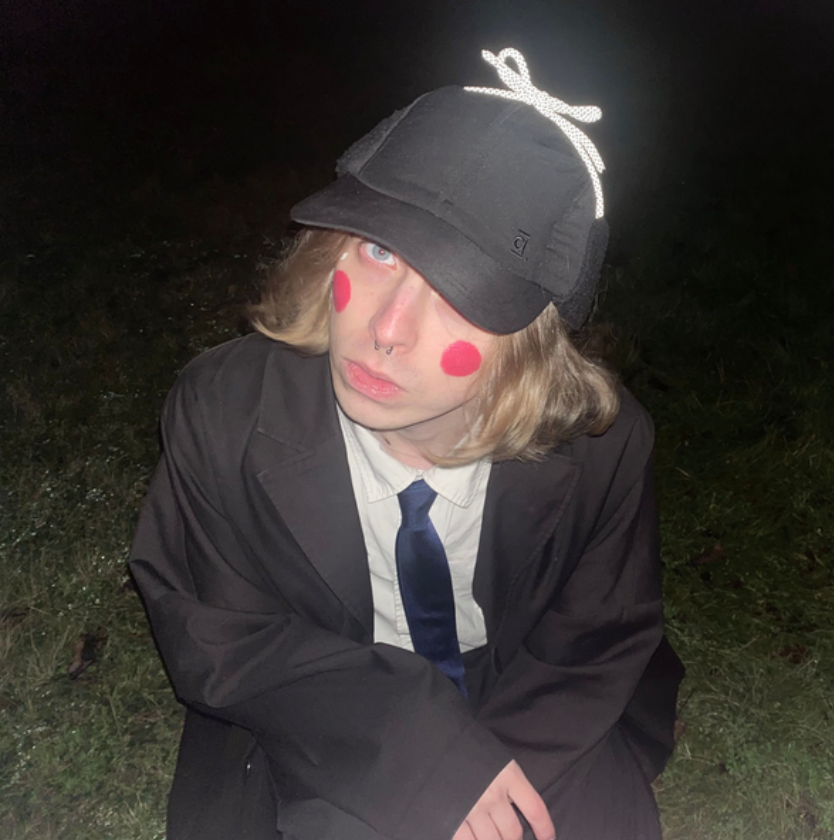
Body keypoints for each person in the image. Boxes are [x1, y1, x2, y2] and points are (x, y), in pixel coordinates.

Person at [129, 48, 684, 840]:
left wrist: (489, 780)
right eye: (379, 250)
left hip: (527, 701)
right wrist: (414, 750)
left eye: (459, 294)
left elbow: (596, 639)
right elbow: (216, 631)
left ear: (531, 344)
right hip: (320, 705)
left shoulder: (602, 446)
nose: (387, 329)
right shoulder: (223, 410)